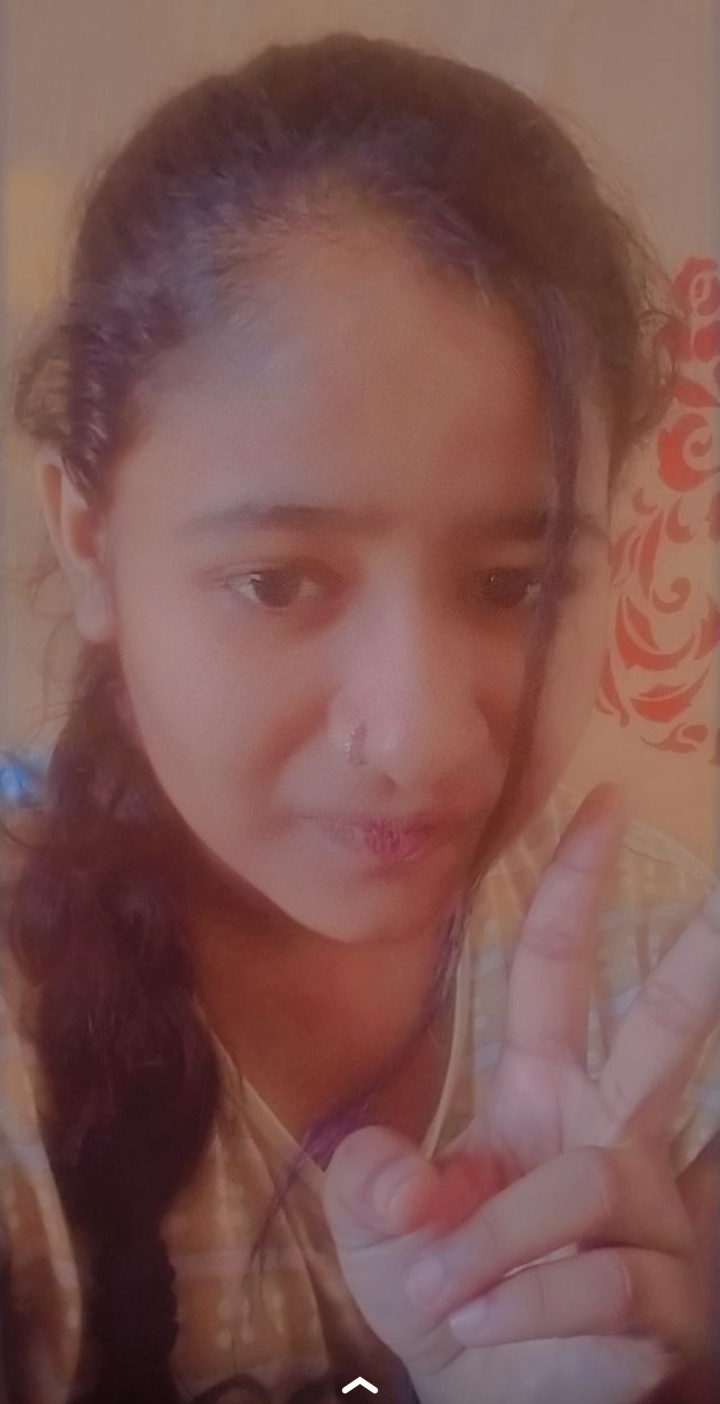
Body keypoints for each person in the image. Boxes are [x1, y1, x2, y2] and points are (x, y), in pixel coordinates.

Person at [0, 29, 718, 1404]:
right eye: (276, 581)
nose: (424, 737)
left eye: (514, 585)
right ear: (89, 544)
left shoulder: (656, 999)